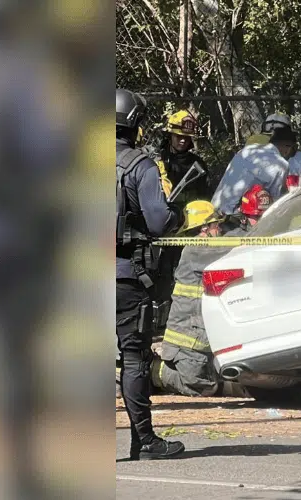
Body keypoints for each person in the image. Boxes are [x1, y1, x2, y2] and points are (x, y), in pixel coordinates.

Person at [116, 88, 185, 460]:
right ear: (134, 124)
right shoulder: (140, 165)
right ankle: (143, 440)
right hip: (127, 276)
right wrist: (180, 215)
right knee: (133, 359)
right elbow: (159, 222)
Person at [143, 110, 213, 340]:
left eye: (186, 137)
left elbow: (206, 198)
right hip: (163, 230)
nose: (182, 140)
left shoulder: (199, 166)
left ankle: (187, 324)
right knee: (160, 276)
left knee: (187, 278)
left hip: (190, 231)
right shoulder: (157, 163)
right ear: (170, 135)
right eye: (177, 136)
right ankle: (158, 326)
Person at [154, 201, 225, 398]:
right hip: (186, 343)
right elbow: (236, 251)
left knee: (212, 384)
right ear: (204, 228)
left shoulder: (200, 247)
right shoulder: (197, 249)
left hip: (197, 337)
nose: (220, 230)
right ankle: (154, 370)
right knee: (202, 388)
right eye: (216, 225)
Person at [211, 125, 299, 213]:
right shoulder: (281, 165)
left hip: (214, 209)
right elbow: (274, 203)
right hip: (237, 216)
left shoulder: (248, 150)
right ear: (288, 148)